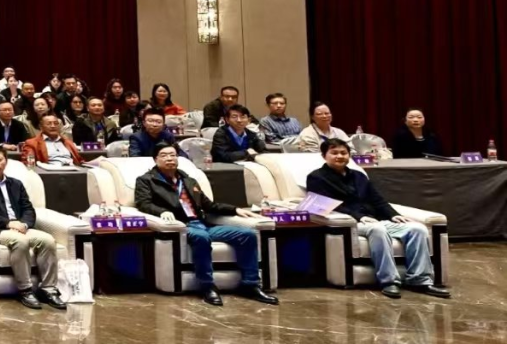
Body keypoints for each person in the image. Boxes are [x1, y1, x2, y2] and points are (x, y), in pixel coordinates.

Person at [132, 141, 277, 306]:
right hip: (182, 227)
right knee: (201, 237)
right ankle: (207, 286)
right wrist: (161, 212)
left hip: (202, 224)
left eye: (173, 155)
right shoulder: (146, 180)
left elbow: (209, 205)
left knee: (247, 235)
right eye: (164, 155)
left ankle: (250, 284)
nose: (169, 159)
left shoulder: (188, 180)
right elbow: (143, 203)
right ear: (155, 159)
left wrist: (234, 209)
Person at [305, 140, 449, 299]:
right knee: (378, 230)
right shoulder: (316, 177)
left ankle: (419, 280)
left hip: (375, 219)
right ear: (324, 155)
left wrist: (392, 214)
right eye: (334, 153)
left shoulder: (359, 176)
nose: (339, 156)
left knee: (417, 229)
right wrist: (359, 217)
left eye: (343, 153)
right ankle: (389, 281)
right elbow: (327, 205)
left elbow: (377, 199)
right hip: (351, 223)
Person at [0, 146, 65, 310]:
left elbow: (28, 208)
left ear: (6, 162)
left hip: (22, 226)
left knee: (47, 240)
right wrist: (7, 223)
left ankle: (48, 289)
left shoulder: (16, 184)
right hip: (0, 229)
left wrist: (24, 224)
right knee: (21, 242)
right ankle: (25, 290)